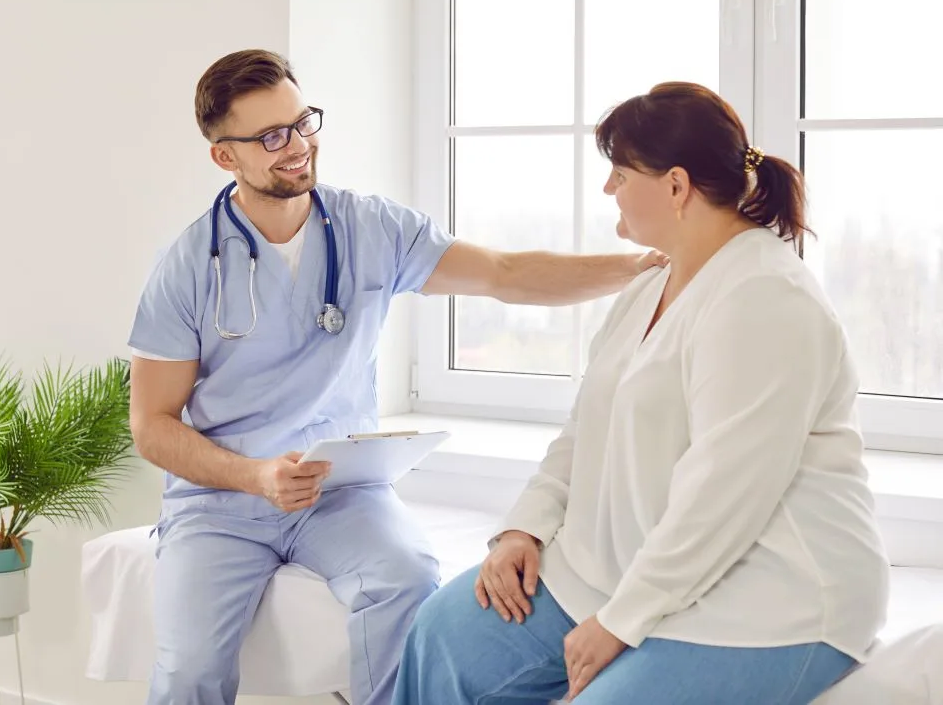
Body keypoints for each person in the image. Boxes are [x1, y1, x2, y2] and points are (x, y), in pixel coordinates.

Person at [127, 49, 666, 705]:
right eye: (271, 137)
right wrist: (255, 477)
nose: (298, 146)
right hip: (221, 503)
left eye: (303, 123)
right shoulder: (187, 265)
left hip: (340, 492)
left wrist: (639, 267)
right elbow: (152, 427)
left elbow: (504, 272)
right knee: (188, 670)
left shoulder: (370, 228)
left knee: (407, 579)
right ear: (225, 156)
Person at [391, 82, 891, 705]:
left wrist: (623, 621)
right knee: (442, 634)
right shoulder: (648, 286)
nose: (609, 189)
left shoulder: (765, 298)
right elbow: (582, 433)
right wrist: (526, 529)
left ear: (676, 186)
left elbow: (725, 493)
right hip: (618, 571)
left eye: (621, 173)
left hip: (767, 601)